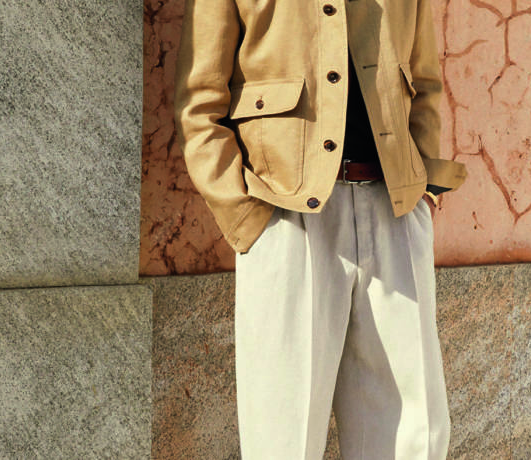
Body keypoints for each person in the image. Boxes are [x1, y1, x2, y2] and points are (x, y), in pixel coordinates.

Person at [174, 0, 467, 458]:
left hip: (393, 205)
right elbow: (199, 101)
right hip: (283, 212)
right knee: (284, 430)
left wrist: (422, 188)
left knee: (414, 433)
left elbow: (423, 79)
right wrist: (246, 215)